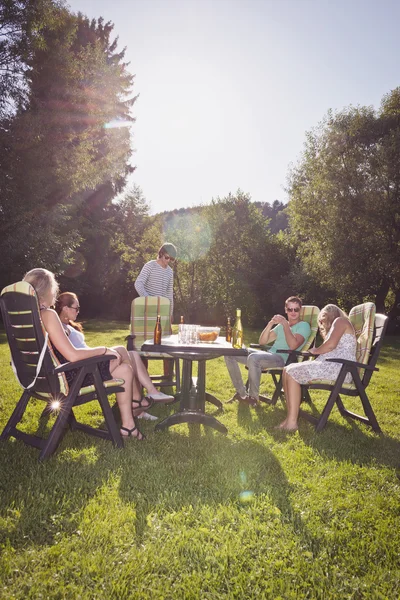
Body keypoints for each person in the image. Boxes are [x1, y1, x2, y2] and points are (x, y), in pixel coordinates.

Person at [23, 268, 152, 441]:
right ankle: (135, 409)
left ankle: (129, 427)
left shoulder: (26, 316)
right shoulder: (47, 314)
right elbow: (73, 355)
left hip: (40, 378)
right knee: (118, 357)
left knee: (125, 370)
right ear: (47, 291)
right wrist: (103, 350)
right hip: (67, 379)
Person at [55, 292, 174, 421]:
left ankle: (141, 401)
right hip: (86, 368)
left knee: (132, 355)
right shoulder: (60, 328)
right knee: (122, 350)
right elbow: (71, 353)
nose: (78, 311)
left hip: (90, 362)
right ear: (65, 308)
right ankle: (140, 399)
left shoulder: (69, 326)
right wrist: (103, 351)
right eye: (76, 308)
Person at [279, 304, 356, 431]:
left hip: (342, 369)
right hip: (334, 367)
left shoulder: (341, 321)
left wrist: (315, 351)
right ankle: (289, 418)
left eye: (322, 318)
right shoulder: (336, 328)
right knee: (287, 369)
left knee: (292, 372)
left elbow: (330, 346)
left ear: (329, 315)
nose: (321, 322)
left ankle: (292, 422)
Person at [225, 296, 311, 406]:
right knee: (230, 352)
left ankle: (253, 398)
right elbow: (262, 341)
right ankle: (242, 394)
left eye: (296, 309)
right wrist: (270, 323)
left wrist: (285, 325)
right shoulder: (280, 326)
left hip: (282, 359)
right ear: (286, 310)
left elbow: (293, 346)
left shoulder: (304, 326)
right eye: (290, 309)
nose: (293, 312)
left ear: (300, 310)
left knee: (253, 358)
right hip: (269, 355)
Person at [134, 242, 177, 319]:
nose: (168, 260)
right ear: (161, 253)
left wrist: (170, 313)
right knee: (146, 331)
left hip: (162, 311)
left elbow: (169, 293)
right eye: (167, 257)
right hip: (147, 310)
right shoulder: (150, 265)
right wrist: (149, 299)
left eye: (171, 259)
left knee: (160, 331)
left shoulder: (170, 272)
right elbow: (138, 283)